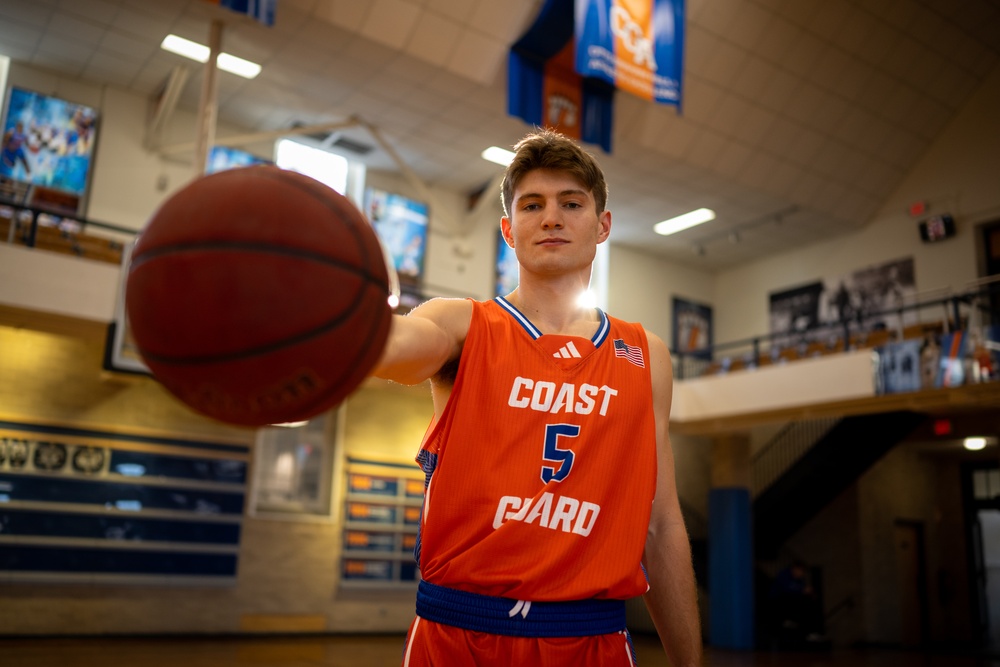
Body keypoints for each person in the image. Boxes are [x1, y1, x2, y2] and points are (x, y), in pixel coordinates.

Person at [372, 128, 702, 666]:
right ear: (508, 229)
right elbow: (394, 345)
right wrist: (327, 314)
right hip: (458, 633)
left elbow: (661, 523)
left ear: (603, 226)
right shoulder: (461, 325)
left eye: (571, 203)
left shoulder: (646, 355)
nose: (551, 217)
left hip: (590, 637)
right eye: (533, 205)